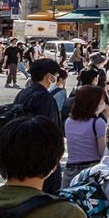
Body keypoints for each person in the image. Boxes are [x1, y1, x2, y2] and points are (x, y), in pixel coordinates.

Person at [15, 58, 65, 194]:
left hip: (22, 154)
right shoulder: (45, 98)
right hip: (42, 161)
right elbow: (50, 131)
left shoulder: (23, 93)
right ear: (49, 76)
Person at [62, 85, 108, 188]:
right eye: (101, 101)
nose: (103, 104)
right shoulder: (98, 123)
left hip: (70, 169)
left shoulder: (69, 122)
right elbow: (103, 152)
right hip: (91, 169)